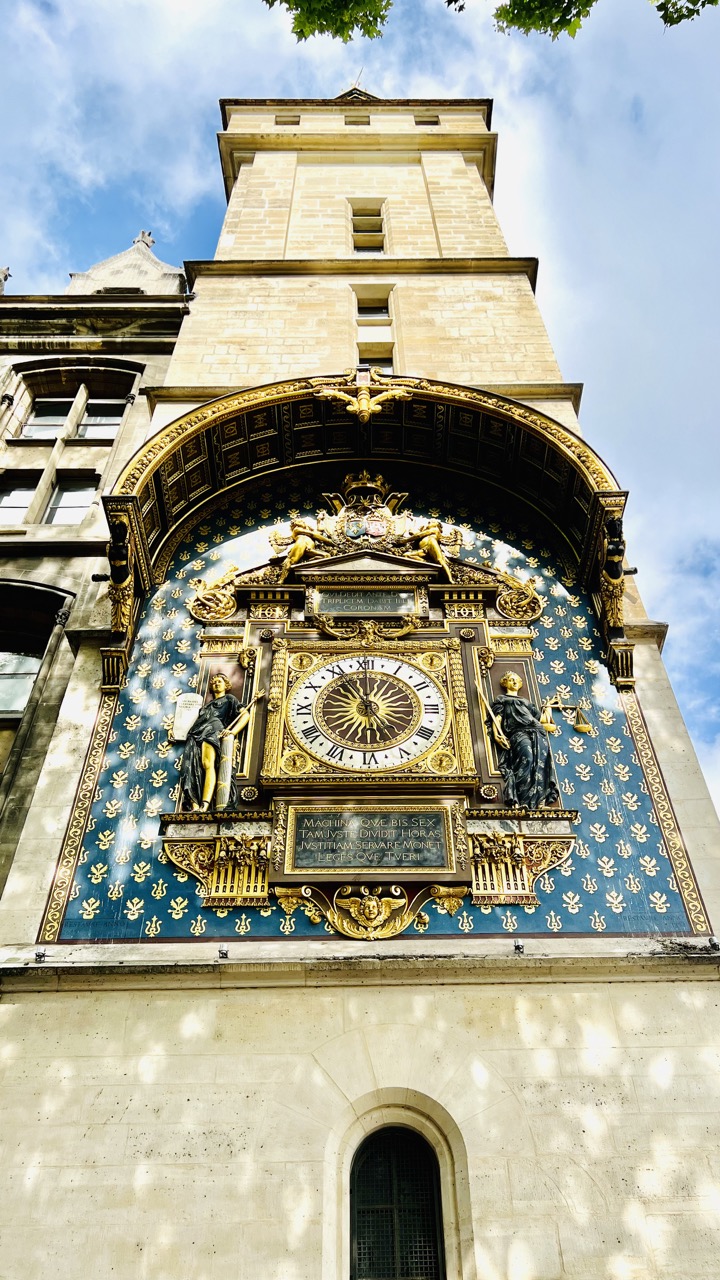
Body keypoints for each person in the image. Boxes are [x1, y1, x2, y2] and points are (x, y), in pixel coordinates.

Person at [179, 673, 263, 812]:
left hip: (212, 730)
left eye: (220, 681)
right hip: (195, 733)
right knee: (191, 768)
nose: (217, 684)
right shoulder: (207, 705)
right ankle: (194, 803)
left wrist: (232, 732)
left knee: (207, 764)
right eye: (214, 682)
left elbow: (245, 715)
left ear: (226, 685)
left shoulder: (229, 699)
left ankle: (204, 804)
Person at [488, 672, 559, 809]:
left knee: (540, 765)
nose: (514, 682)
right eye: (511, 680)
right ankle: (523, 801)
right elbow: (497, 719)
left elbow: (542, 721)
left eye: (517, 680)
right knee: (527, 759)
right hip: (518, 733)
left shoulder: (528, 703)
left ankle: (539, 802)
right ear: (505, 682)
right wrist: (497, 736)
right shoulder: (502, 699)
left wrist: (548, 706)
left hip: (538, 733)